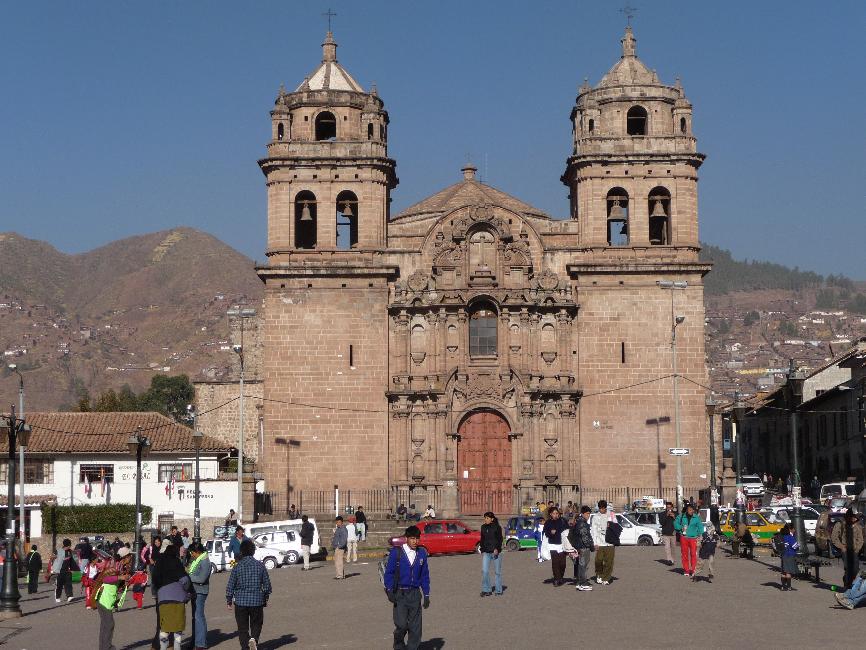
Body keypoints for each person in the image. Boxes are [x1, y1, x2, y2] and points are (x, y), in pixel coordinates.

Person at [383, 525, 430, 650]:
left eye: (417, 539)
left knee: (415, 627)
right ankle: (398, 644)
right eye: (412, 538)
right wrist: (389, 590)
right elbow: (389, 573)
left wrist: (426, 594)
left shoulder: (422, 553)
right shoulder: (396, 552)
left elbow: (425, 575)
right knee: (401, 625)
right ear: (406, 538)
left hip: (415, 594)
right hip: (400, 594)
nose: (415, 541)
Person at [227, 539, 272, 650]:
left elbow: (230, 585)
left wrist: (229, 599)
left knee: (242, 628)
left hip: (240, 602)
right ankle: (254, 639)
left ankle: (245, 647)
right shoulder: (260, 566)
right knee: (256, 623)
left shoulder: (237, 567)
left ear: (241, 551)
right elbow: (267, 586)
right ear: (253, 551)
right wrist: (265, 597)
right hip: (257, 600)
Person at [152, 545, 190, 650]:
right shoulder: (176, 562)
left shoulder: (159, 562)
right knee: (178, 627)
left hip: (163, 598)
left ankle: (163, 647)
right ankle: (177, 648)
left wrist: (160, 589)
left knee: (164, 628)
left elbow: (155, 578)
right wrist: (186, 590)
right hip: (178, 598)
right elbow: (185, 580)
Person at [95, 547, 132, 650]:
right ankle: (107, 647)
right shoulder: (116, 565)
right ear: (125, 557)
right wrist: (121, 578)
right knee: (109, 624)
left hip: (104, 598)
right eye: (129, 555)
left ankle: (103, 647)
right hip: (104, 599)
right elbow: (105, 578)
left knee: (105, 625)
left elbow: (116, 584)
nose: (131, 557)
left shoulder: (120, 566)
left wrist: (124, 582)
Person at [831, 508, 864, 590]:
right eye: (853, 517)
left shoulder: (858, 526)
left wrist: (857, 549)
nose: (855, 518)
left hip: (854, 551)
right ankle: (847, 586)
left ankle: (846, 580)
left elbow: (860, 539)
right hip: (845, 550)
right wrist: (841, 546)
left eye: (856, 517)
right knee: (848, 568)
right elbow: (834, 537)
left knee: (855, 569)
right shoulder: (840, 524)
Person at [187, 542, 211, 650]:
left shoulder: (205, 561)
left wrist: (189, 577)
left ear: (197, 552)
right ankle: (197, 641)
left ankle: (201, 643)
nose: (191, 555)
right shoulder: (199, 560)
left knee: (199, 616)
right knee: (196, 617)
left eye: (192, 553)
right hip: (195, 591)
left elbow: (202, 578)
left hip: (200, 592)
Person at [569, 505, 595, 591]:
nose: (588, 515)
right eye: (587, 513)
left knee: (581, 565)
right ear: (582, 513)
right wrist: (591, 546)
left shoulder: (579, 521)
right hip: (583, 547)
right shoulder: (582, 523)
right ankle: (583, 583)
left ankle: (580, 582)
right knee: (583, 566)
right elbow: (585, 537)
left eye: (589, 514)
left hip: (580, 547)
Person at [675, 503, 704, 578]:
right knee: (684, 554)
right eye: (689, 510)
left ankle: (693, 569)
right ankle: (686, 570)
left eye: (692, 510)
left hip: (693, 538)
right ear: (687, 510)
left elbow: (700, 527)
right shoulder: (681, 516)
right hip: (683, 537)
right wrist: (680, 528)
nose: (691, 511)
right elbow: (675, 523)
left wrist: (700, 535)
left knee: (693, 554)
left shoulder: (696, 518)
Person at [591, 500, 615, 585]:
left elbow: (616, 526)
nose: (601, 510)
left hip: (610, 542)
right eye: (600, 508)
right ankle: (599, 575)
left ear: (606, 508)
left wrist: (611, 525)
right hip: (600, 542)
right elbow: (593, 531)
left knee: (609, 562)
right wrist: (595, 543)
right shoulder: (595, 517)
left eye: (603, 508)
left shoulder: (611, 515)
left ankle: (606, 578)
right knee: (598, 560)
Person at [479, 511, 503, 596]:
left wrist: (497, 548)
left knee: (497, 572)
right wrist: (482, 549)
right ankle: (487, 589)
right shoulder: (483, 527)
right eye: (485, 518)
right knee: (485, 571)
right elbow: (482, 539)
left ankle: (498, 590)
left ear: (492, 519)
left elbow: (500, 539)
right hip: (486, 552)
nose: (485, 519)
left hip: (496, 552)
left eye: (487, 518)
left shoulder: (497, 527)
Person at [542, 507, 568, 586]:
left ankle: (560, 576)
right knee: (555, 562)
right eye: (554, 513)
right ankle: (556, 579)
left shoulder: (563, 521)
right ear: (550, 514)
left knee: (562, 563)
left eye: (557, 513)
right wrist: (551, 532)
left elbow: (567, 530)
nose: (555, 515)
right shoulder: (548, 523)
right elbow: (545, 532)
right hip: (552, 545)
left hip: (562, 545)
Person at [777, 524, 799, 591]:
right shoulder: (789, 537)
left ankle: (783, 587)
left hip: (783, 555)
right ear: (790, 529)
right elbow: (795, 546)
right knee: (788, 572)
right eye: (793, 529)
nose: (794, 530)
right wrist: (798, 545)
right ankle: (789, 587)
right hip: (789, 555)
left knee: (783, 572)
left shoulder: (781, 536)